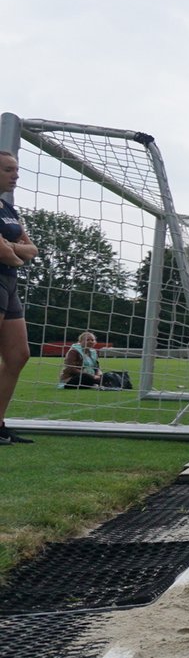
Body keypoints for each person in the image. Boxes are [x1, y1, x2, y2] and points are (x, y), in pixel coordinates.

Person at [0, 149, 38, 446]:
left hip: (9, 283)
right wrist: (15, 253)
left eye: (16, 169)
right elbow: (10, 255)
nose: (16, 175)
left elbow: (31, 250)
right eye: (8, 170)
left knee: (18, 355)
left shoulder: (7, 208)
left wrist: (12, 249)